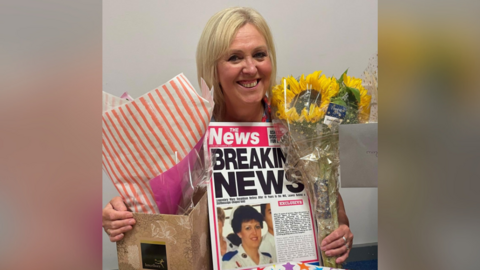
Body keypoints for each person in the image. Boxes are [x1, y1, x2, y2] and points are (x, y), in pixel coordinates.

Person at [102, 6, 353, 265]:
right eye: (234, 58)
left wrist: (340, 234)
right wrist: (122, 214)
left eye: (259, 54)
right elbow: (163, 215)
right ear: (214, 68)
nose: (250, 68)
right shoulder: (189, 134)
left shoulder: (298, 125)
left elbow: (332, 210)